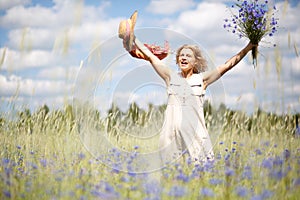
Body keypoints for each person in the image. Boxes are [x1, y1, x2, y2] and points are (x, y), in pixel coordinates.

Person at [118, 11, 255, 165]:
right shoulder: (170, 77)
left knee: (202, 171)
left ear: (196, 62)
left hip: (195, 134)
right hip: (171, 135)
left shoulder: (202, 80)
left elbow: (227, 66)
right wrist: (134, 38)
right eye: (181, 56)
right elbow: (151, 57)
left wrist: (249, 47)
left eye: (188, 56)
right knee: (171, 174)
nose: (183, 58)